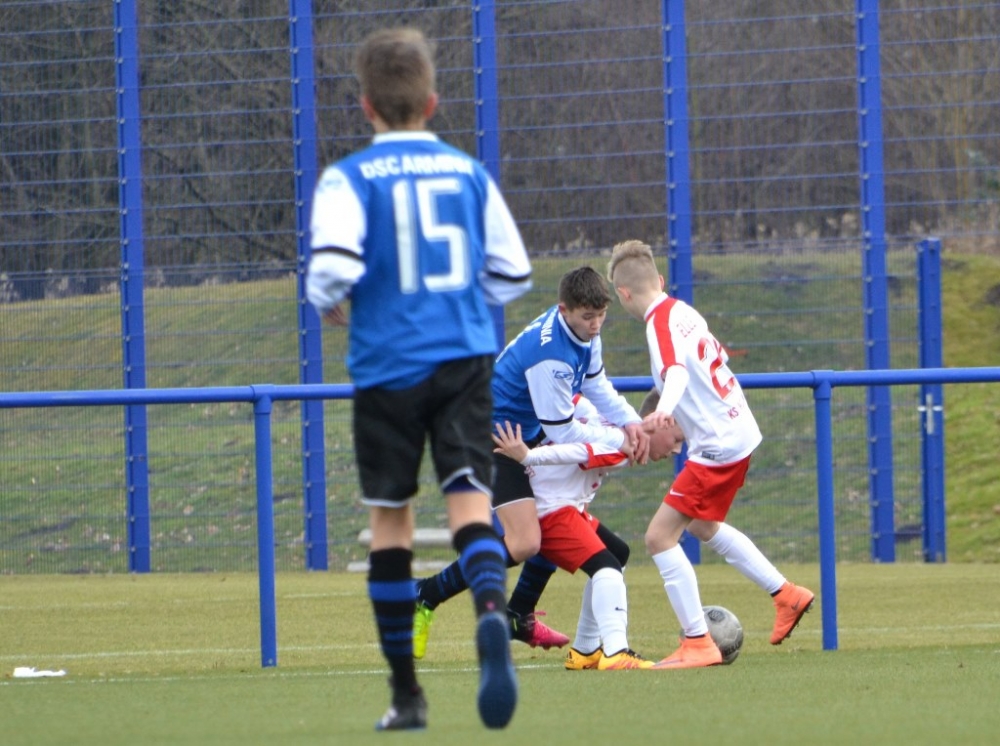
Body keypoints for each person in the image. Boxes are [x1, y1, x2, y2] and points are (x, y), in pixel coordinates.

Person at [305, 27, 531, 731]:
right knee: (469, 506)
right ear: (432, 102)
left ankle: (407, 696)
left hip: (387, 367)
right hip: (463, 360)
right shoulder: (468, 174)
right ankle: (490, 612)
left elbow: (329, 273)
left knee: (391, 521)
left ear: (366, 105)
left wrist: (337, 301)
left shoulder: (347, 179)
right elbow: (513, 273)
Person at [413, 267, 649, 657]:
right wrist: (621, 439)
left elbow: (596, 384)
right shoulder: (550, 356)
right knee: (525, 542)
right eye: (587, 317)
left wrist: (631, 421)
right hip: (493, 440)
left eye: (601, 315)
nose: (596, 325)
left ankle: (518, 614)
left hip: (524, 435)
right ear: (564, 309)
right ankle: (427, 592)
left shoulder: (584, 333)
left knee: (554, 512)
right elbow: (563, 431)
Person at [606, 240, 815, 669]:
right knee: (702, 525)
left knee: (658, 537)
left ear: (623, 294)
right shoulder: (684, 312)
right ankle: (786, 594)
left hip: (718, 444)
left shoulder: (658, 324)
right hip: (737, 432)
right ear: (659, 279)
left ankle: (698, 641)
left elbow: (676, 373)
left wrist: (663, 411)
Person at [491, 393, 686, 671]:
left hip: (563, 505)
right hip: (551, 510)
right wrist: (529, 455)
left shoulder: (609, 416)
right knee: (606, 567)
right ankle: (616, 651)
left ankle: (585, 649)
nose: (677, 450)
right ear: (658, 422)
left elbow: (571, 400)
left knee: (617, 553)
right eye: (677, 439)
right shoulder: (625, 445)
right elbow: (580, 452)